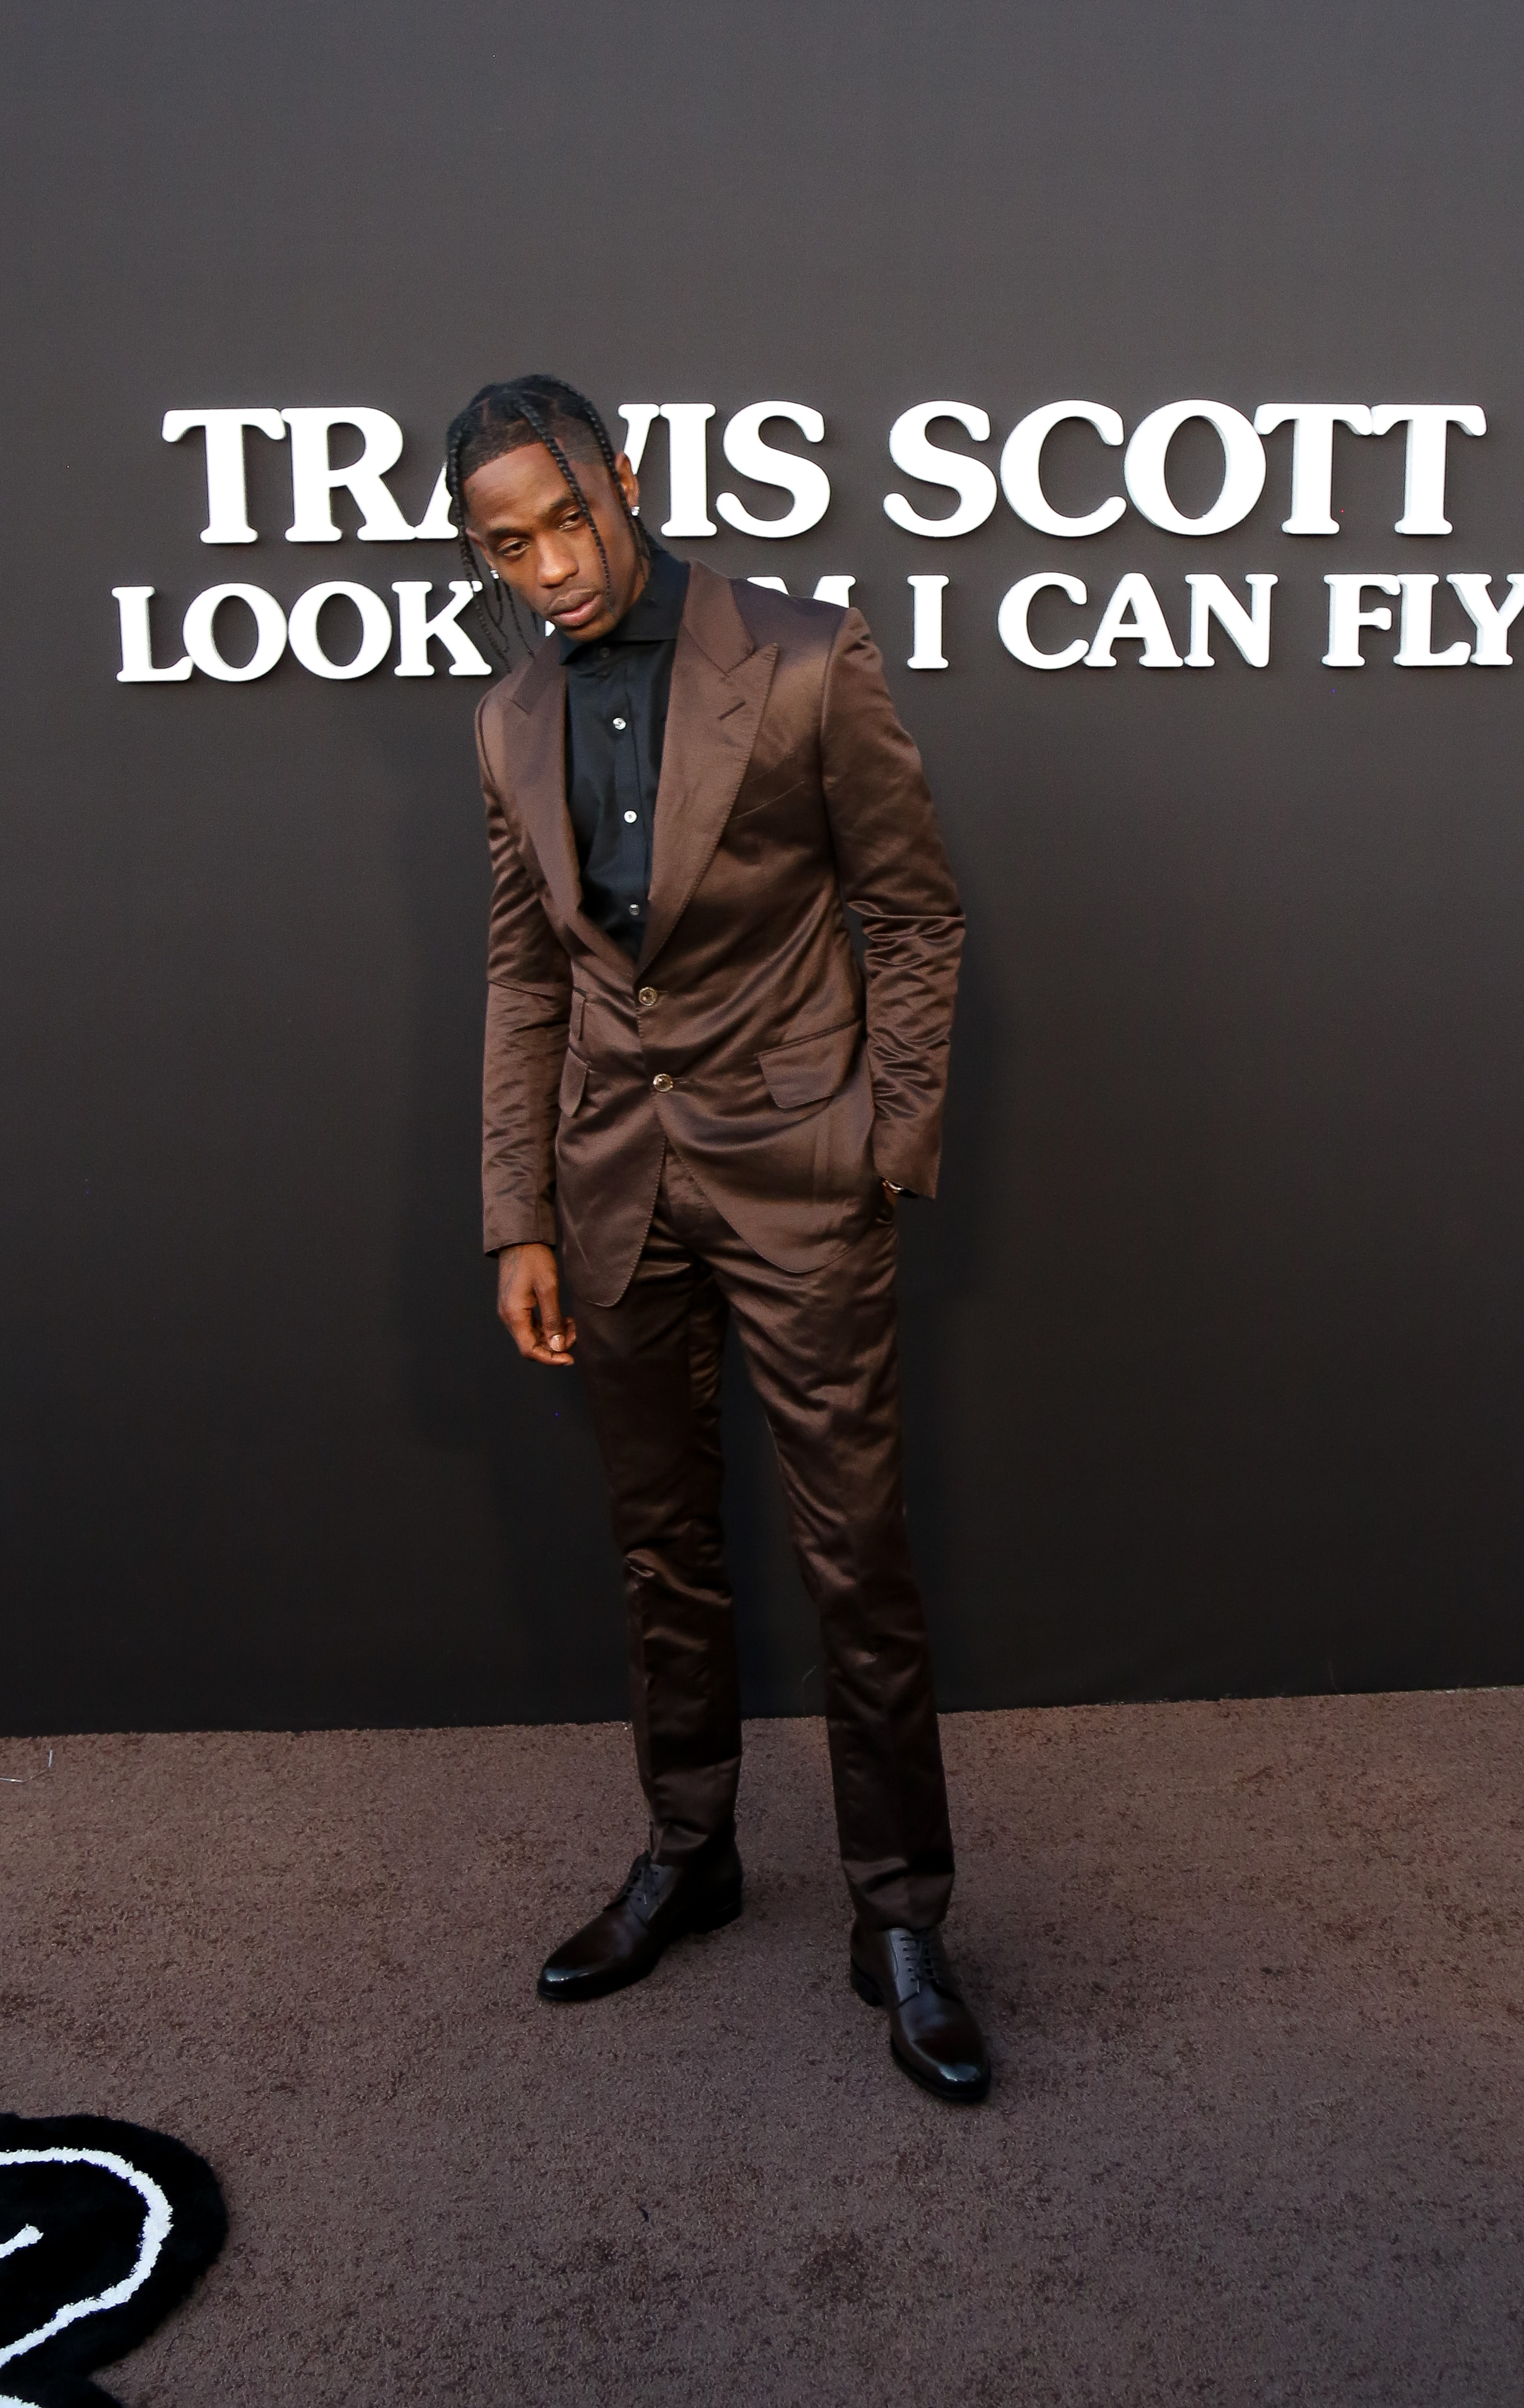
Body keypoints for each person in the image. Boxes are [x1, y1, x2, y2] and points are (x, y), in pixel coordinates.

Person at [448, 376, 989, 2103]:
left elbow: (912, 912)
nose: (551, 566)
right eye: (508, 546)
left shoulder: (807, 656)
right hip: (612, 1182)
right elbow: (526, 972)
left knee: (856, 1559)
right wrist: (517, 1214)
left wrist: (881, 1146)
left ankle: (900, 1919)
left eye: (568, 519)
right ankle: (690, 1851)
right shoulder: (507, 715)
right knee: (659, 1548)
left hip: (798, 1167)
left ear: (627, 478)